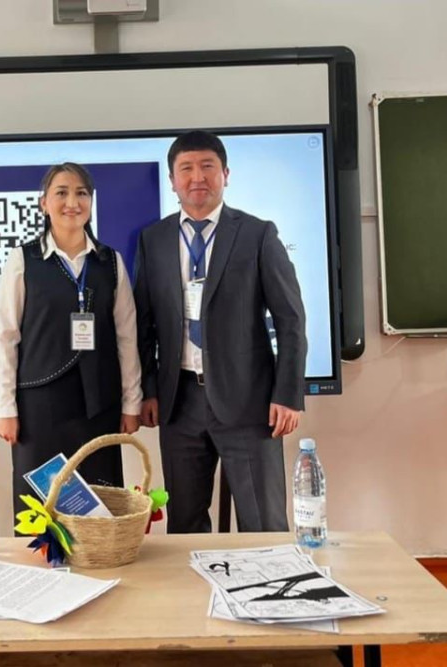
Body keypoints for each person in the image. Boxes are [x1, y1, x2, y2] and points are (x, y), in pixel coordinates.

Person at [134, 130, 307, 533]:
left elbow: (290, 320)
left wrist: (288, 394)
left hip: (249, 402)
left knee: (263, 523)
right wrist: (148, 390)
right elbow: (143, 323)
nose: (197, 177)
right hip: (179, 402)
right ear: (172, 180)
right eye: (186, 168)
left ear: (225, 174)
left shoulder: (257, 234)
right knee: (184, 525)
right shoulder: (153, 239)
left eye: (207, 166)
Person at [0, 162, 142, 517]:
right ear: (44, 203)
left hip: (98, 406)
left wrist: (131, 403)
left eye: (81, 193)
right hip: (39, 406)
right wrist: (5, 409)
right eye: (61, 193)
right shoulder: (23, 259)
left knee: (100, 509)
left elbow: (127, 337)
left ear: (91, 202)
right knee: (40, 511)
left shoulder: (110, 262)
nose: (72, 202)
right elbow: (6, 337)